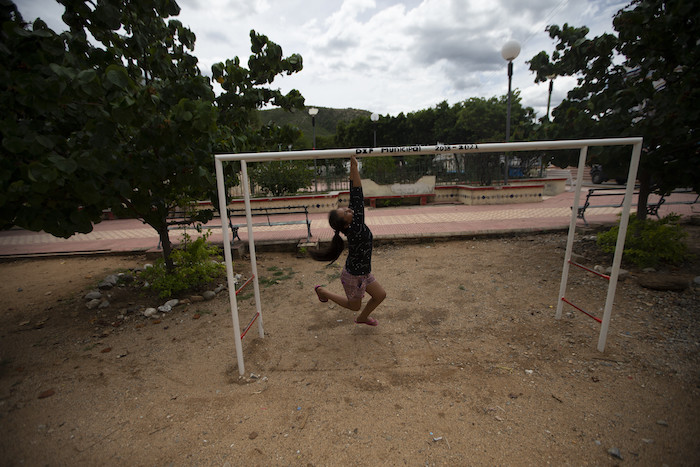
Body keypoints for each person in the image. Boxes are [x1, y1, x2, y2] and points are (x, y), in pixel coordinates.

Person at [311, 155, 386, 326]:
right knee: (354, 306)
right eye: (346, 213)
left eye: (345, 209)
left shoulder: (352, 226)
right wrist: (354, 169)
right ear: (346, 223)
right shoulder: (356, 229)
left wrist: (352, 173)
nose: (349, 210)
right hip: (354, 276)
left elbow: (354, 199)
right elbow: (358, 197)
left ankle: (362, 318)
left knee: (380, 295)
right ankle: (322, 291)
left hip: (362, 272)